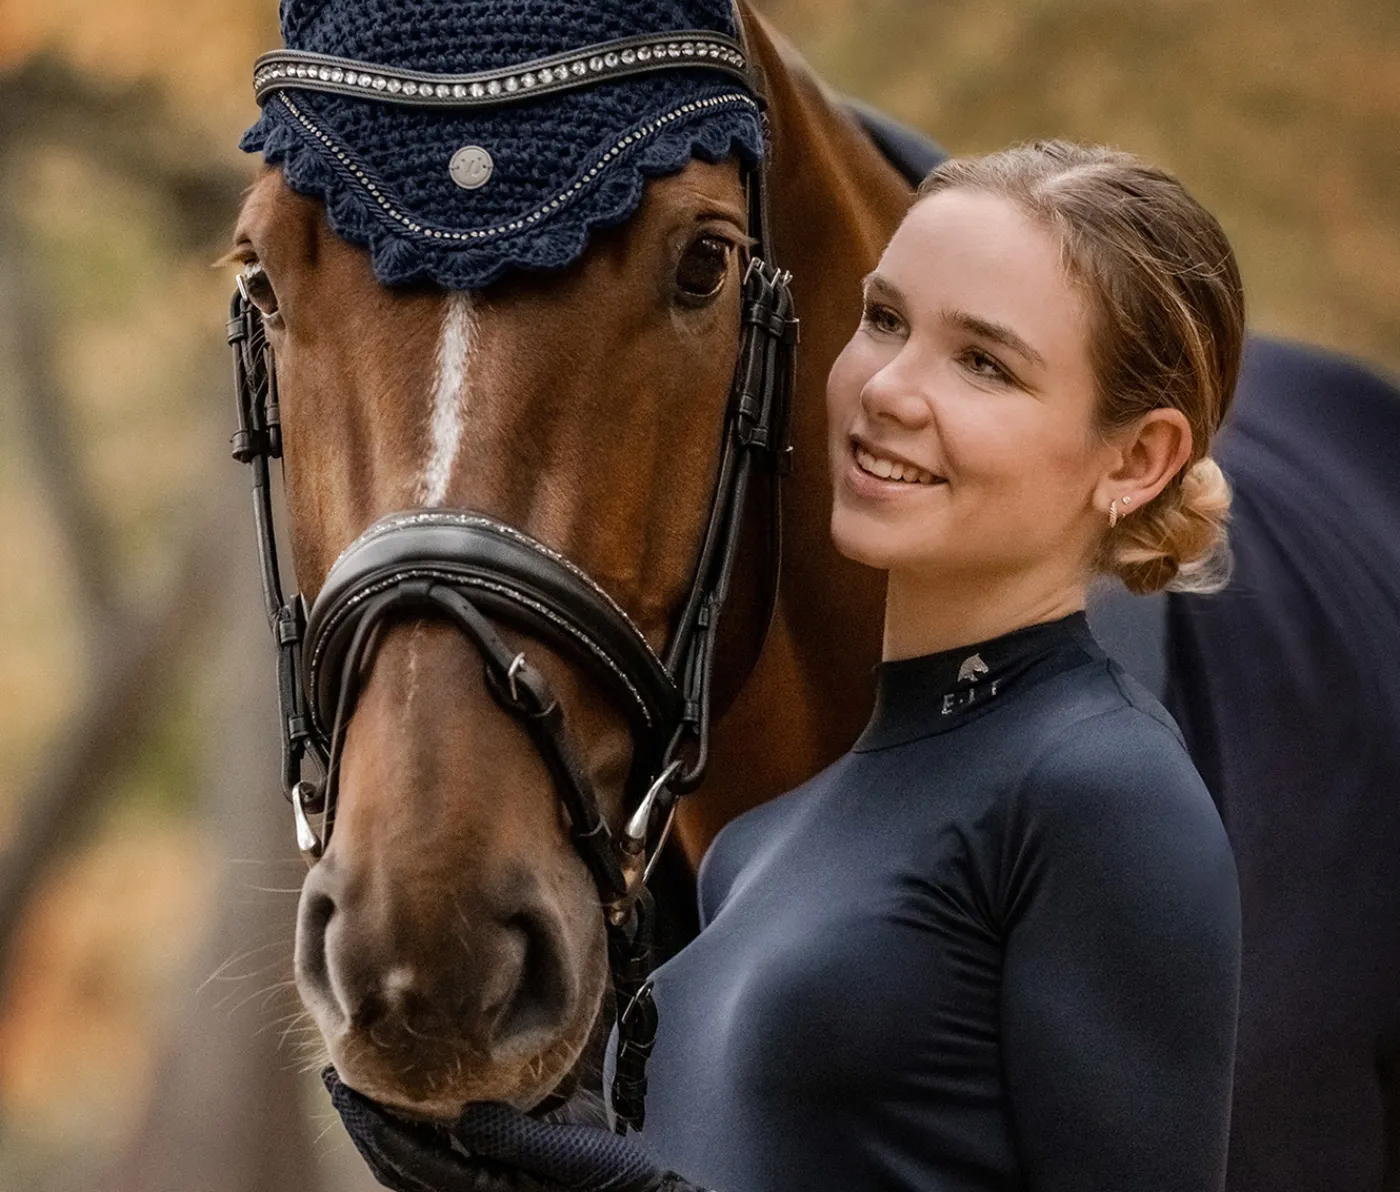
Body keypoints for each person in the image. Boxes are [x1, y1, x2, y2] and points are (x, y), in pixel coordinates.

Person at [330, 139, 1244, 1192]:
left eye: (982, 361)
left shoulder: (1100, 792)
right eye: (885, 320)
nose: (886, 388)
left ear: (1135, 459)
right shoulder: (751, 848)